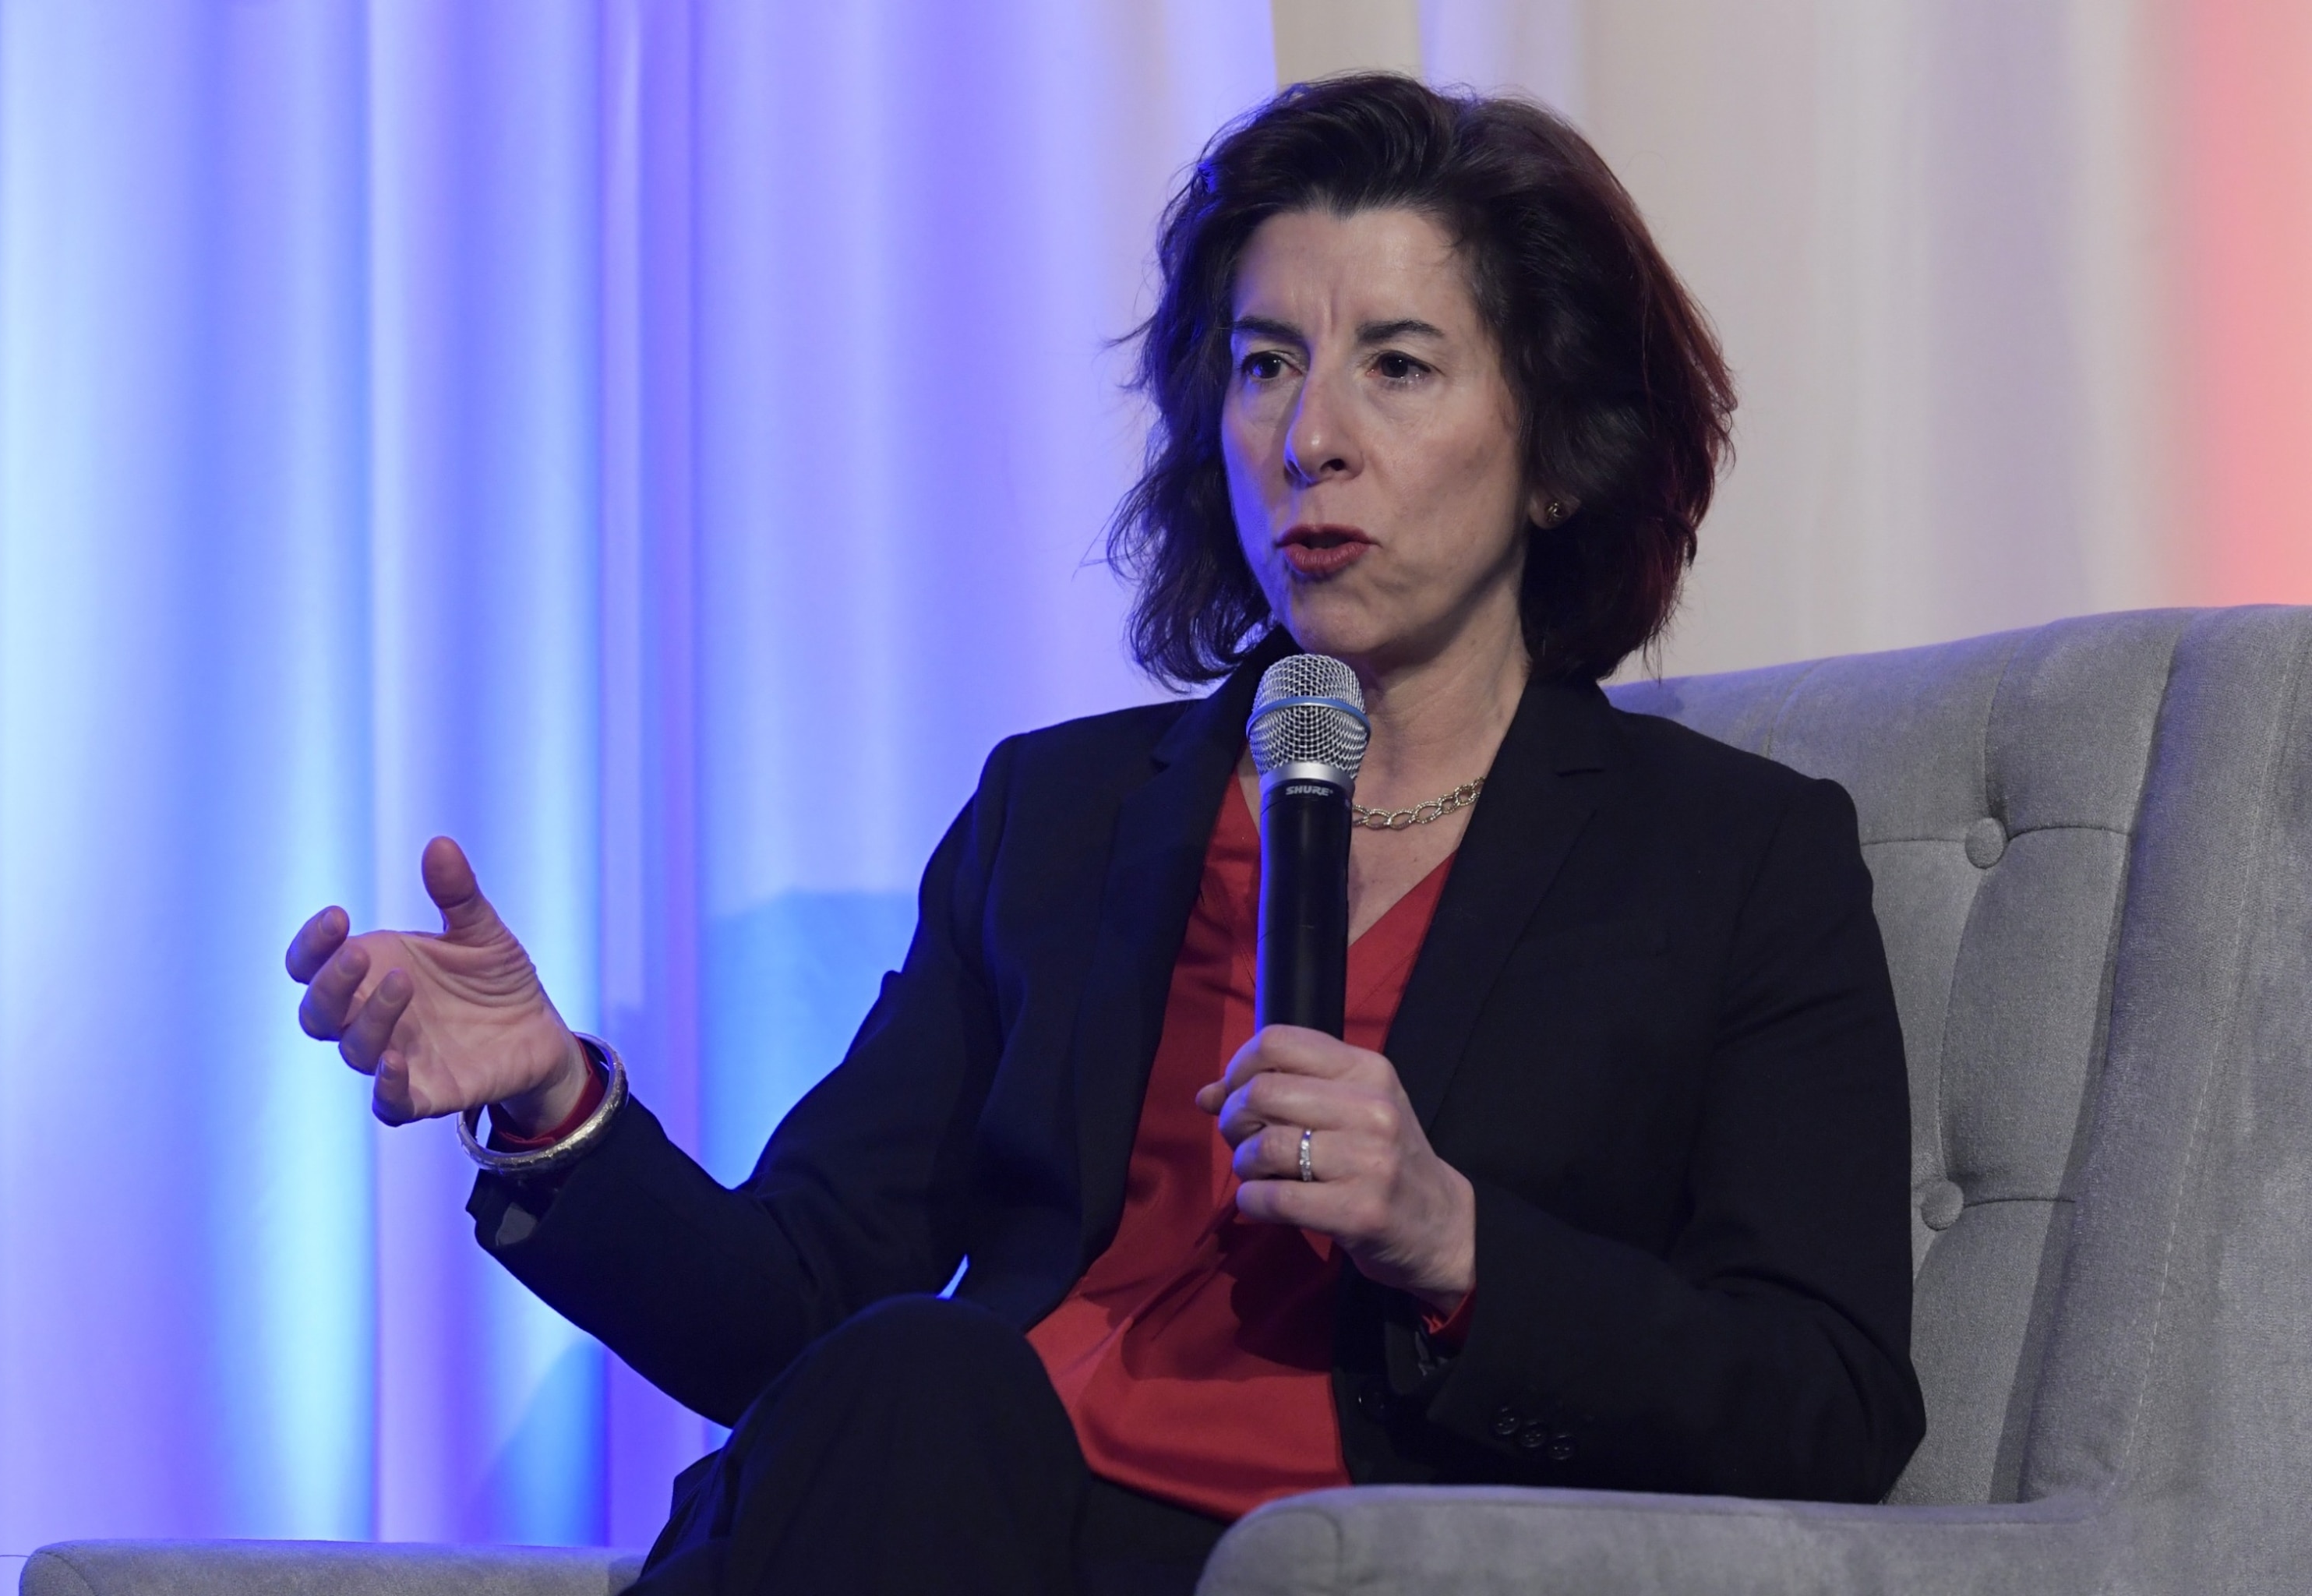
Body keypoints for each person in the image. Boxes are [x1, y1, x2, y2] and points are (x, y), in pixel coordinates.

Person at [287, 74, 1923, 1595]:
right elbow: (792, 1305)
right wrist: (556, 1102)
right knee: (915, 1381)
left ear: (1561, 451)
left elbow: (1828, 1406)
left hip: (1315, 1556)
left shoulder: (1732, 862)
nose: (1311, 437)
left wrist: (1454, 1237)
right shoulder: (1056, 818)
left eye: (1398, 365)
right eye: (1267, 360)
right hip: (947, 1519)